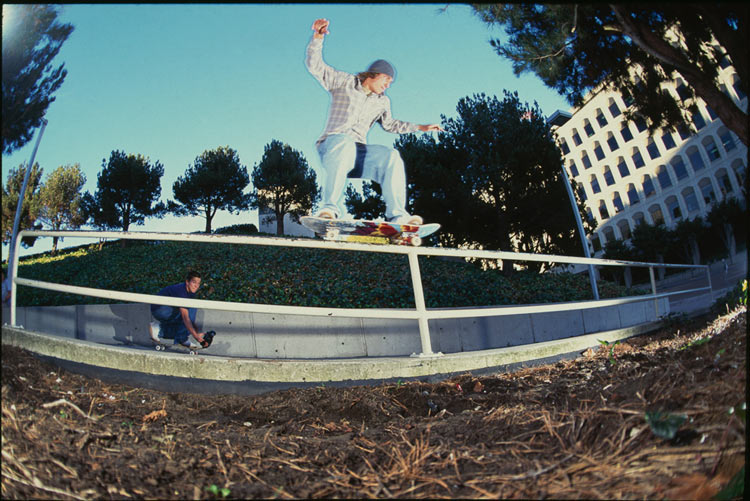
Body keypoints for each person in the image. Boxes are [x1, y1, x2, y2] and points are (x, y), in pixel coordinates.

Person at [305, 18, 443, 224]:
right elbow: (316, 66)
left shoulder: (382, 102)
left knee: (391, 157)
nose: (388, 85)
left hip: (359, 156)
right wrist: (318, 37)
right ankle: (328, 209)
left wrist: (419, 127)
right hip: (333, 146)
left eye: (391, 83)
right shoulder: (344, 82)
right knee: (344, 143)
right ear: (375, 74)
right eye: (386, 80)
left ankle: (398, 216)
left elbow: (391, 125)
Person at [149, 270, 211, 349]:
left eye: (198, 283)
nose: (196, 286)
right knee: (190, 311)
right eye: (194, 282)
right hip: (160, 309)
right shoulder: (182, 291)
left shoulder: (190, 292)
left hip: (167, 310)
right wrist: (196, 336)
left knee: (184, 328)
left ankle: (158, 330)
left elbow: (189, 319)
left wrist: (196, 332)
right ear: (187, 282)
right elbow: (186, 317)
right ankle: (182, 339)